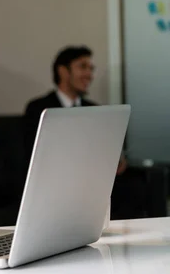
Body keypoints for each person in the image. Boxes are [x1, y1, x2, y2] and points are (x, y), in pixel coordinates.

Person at [24, 45, 146, 219]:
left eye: (91, 68)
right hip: (58, 181)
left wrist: (114, 158)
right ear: (63, 71)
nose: (89, 74)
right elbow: (35, 155)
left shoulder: (94, 109)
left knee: (134, 185)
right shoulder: (38, 108)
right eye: (82, 67)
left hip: (93, 179)